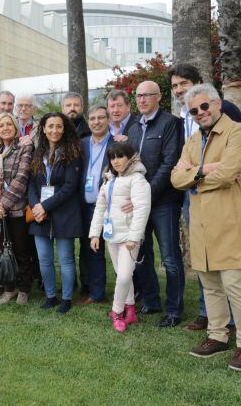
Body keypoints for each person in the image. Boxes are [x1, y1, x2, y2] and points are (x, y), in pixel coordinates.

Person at [171, 83, 241, 371]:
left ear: (218, 104)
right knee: (209, 284)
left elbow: (228, 173)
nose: (200, 113)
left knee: (234, 285)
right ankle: (217, 336)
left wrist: (193, 175)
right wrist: (203, 170)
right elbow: (176, 179)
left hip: (231, 221)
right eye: (194, 110)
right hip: (201, 222)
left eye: (204, 106)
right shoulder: (192, 141)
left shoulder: (238, 133)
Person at [168, 63, 241, 332]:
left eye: (183, 84)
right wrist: (197, 172)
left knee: (225, 258)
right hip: (193, 194)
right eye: (175, 86)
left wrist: (196, 172)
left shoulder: (226, 111)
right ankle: (208, 313)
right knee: (202, 257)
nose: (179, 90)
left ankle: (233, 319)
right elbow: (179, 172)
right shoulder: (182, 117)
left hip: (222, 195)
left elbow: (232, 163)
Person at [126, 80, 185, 327]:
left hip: (163, 202)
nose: (142, 100)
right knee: (142, 254)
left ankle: (174, 310)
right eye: (138, 96)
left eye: (147, 95)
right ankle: (151, 300)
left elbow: (170, 161)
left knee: (170, 258)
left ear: (159, 97)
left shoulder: (170, 123)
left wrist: (147, 193)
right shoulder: (133, 128)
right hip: (140, 204)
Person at [89, 142, 151, 332]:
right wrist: (94, 234)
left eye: (120, 156)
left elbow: (142, 209)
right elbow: (100, 208)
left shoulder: (138, 180)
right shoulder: (109, 180)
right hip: (111, 235)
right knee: (122, 275)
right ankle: (130, 309)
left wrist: (134, 237)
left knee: (124, 276)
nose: (116, 161)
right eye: (112, 157)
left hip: (129, 238)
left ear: (130, 157)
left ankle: (117, 311)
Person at [28, 113, 84, 314]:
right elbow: (31, 184)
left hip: (64, 213)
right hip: (40, 215)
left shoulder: (72, 152)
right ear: (43, 128)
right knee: (44, 259)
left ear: (64, 128)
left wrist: (45, 206)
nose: (54, 130)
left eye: (58, 126)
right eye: (50, 126)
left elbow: (69, 187)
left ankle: (67, 299)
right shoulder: (38, 153)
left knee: (66, 259)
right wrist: (36, 207)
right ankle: (50, 296)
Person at [0, 112, 34, 305]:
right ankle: (8, 288)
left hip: (16, 209)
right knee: (3, 250)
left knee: (20, 251)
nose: (5, 128)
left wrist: (2, 204)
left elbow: (21, 178)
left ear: (15, 127)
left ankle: (23, 289)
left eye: (9, 124)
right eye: (1, 125)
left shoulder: (24, 147)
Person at [77, 104, 114, 305]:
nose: (96, 122)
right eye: (92, 118)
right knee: (87, 248)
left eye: (101, 118)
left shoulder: (116, 143)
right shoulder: (82, 144)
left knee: (108, 249)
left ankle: (101, 292)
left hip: (107, 207)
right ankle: (90, 290)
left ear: (108, 120)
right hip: (84, 206)